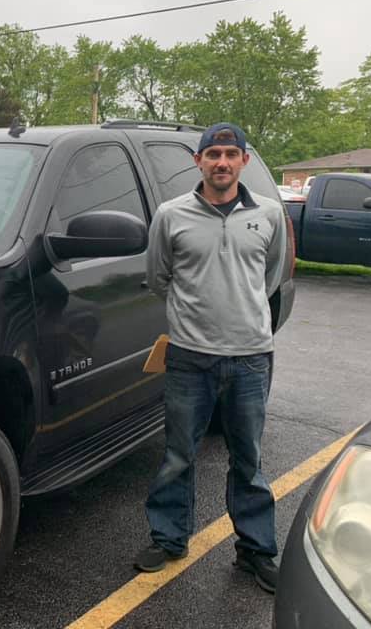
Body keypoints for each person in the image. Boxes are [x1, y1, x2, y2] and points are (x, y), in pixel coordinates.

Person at [134, 122, 287, 594]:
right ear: (198, 160)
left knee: (249, 459)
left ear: (243, 161)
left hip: (250, 358)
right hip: (189, 358)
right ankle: (168, 538)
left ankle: (255, 550)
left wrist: (239, 311)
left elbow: (270, 276)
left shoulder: (268, 214)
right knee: (178, 455)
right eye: (213, 154)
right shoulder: (171, 215)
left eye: (230, 154)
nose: (222, 162)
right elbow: (158, 277)